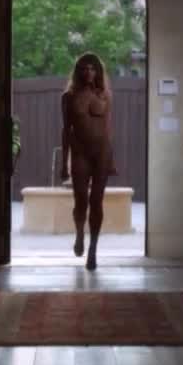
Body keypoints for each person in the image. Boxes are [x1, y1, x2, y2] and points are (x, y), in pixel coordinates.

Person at [59, 52, 117, 269]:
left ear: (98, 71)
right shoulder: (69, 97)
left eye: (93, 68)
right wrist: (64, 162)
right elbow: (66, 130)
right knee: (81, 199)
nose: (89, 72)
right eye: (84, 68)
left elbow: (108, 129)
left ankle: (93, 250)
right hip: (80, 152)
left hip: (102, 153)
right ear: (79, 71)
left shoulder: (105, 95)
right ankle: (79, 234)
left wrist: (111, 159)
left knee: (96, 201)